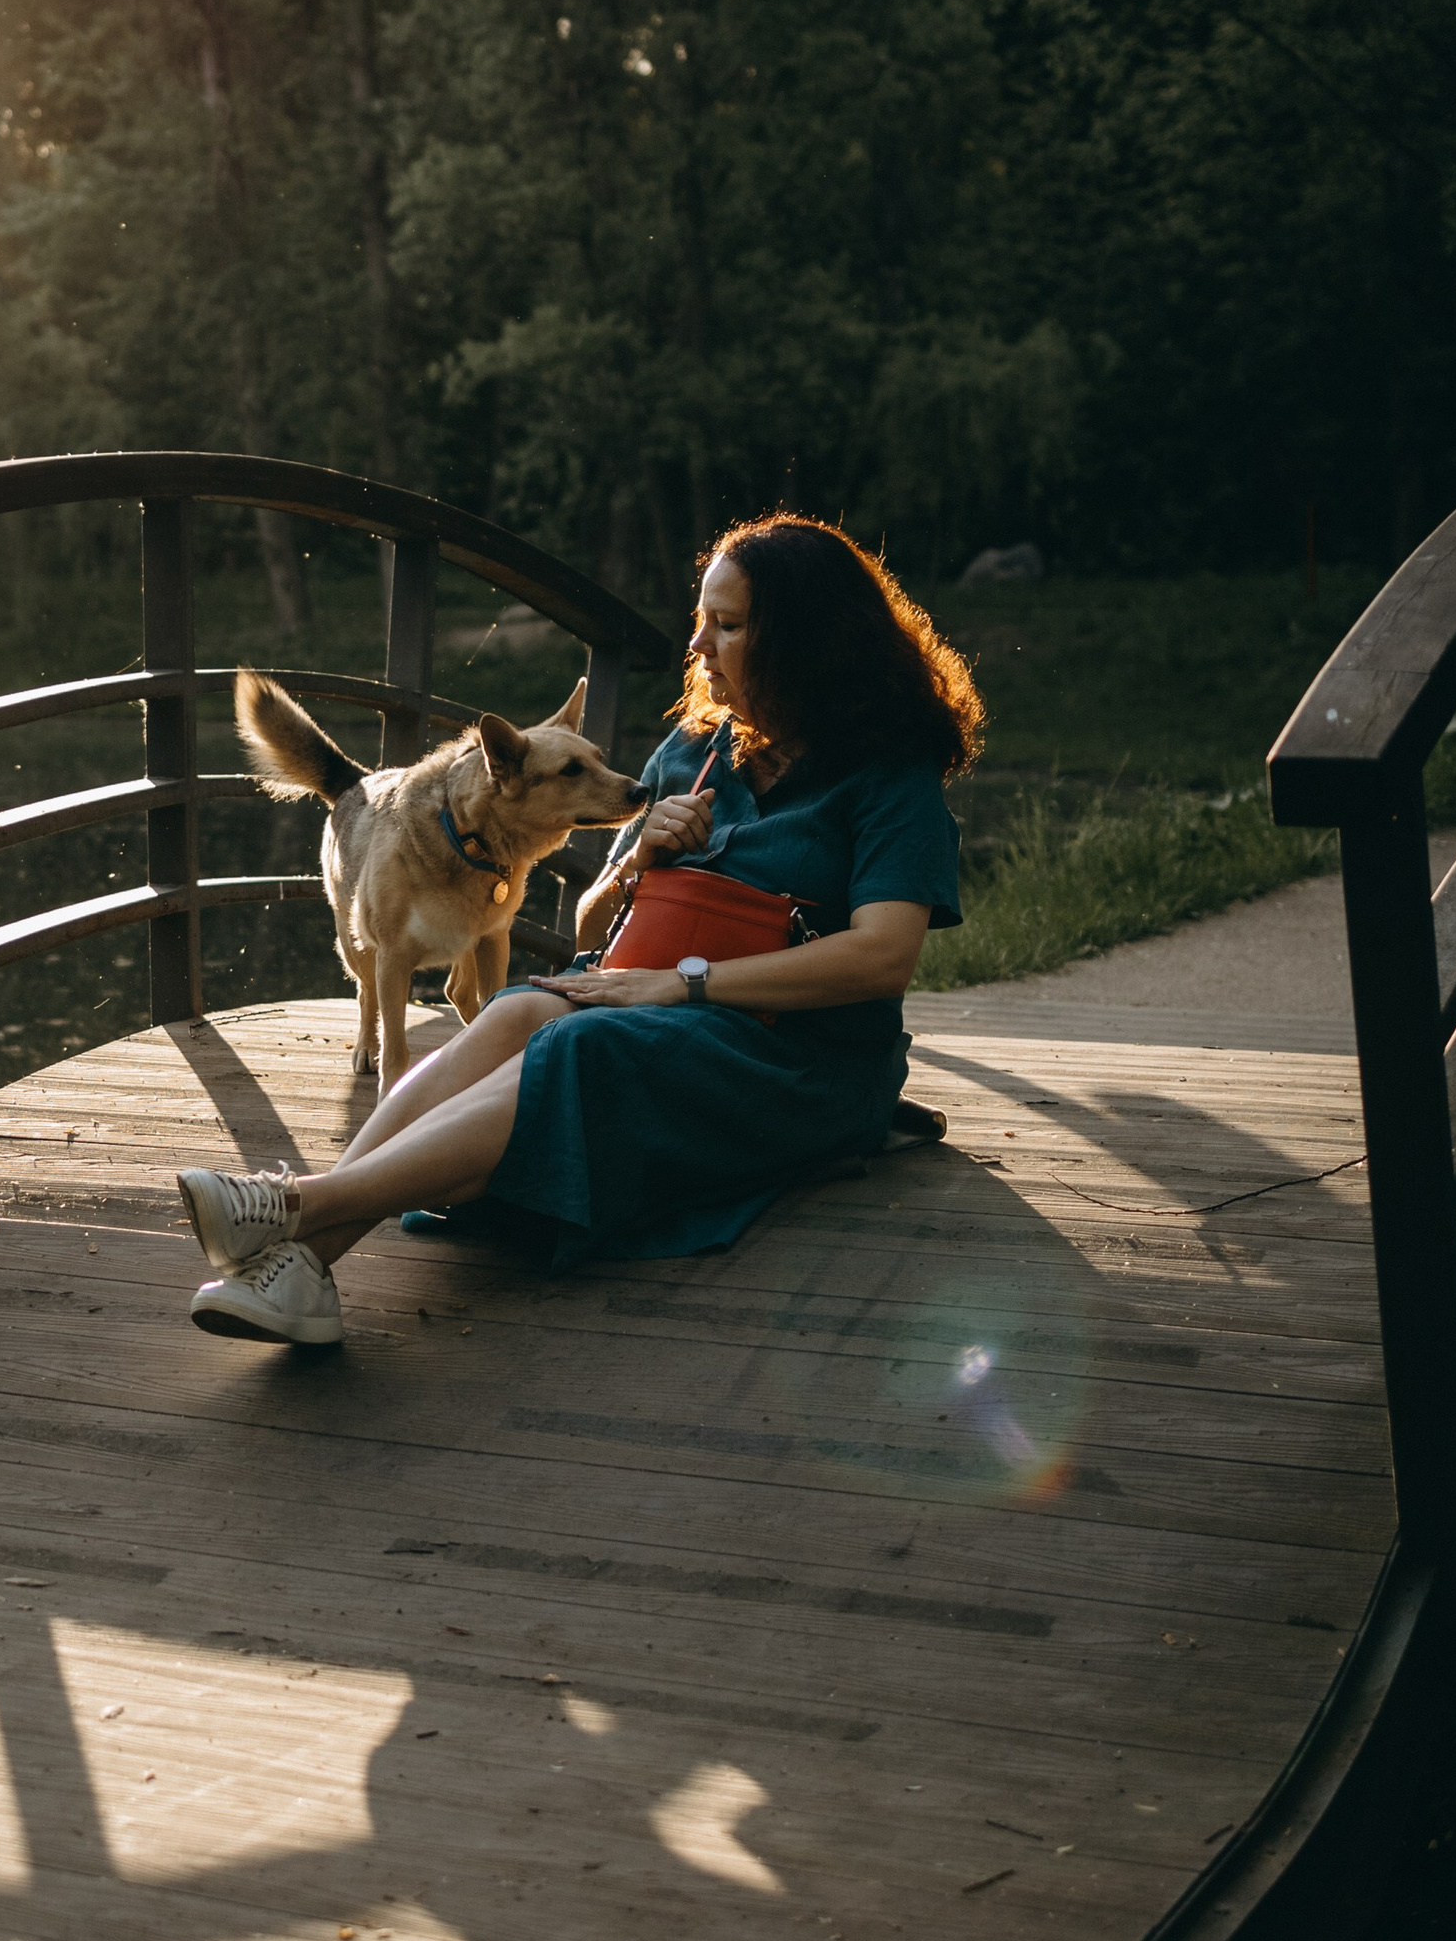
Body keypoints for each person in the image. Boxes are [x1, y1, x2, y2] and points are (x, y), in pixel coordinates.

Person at [174, 512, 982, 1344]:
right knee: (518, 1009)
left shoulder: (889, 773)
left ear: (808, 640)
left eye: (729, 626)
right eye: (700, 620)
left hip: (799, 1056)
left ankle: (296, 1207)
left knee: (574, 1046)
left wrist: (682, 983)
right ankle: (307, 1263)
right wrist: (639, 861)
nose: (699, 646)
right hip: (660, 1008)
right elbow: (594, 918)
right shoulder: (697, 747)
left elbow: (884, 958)